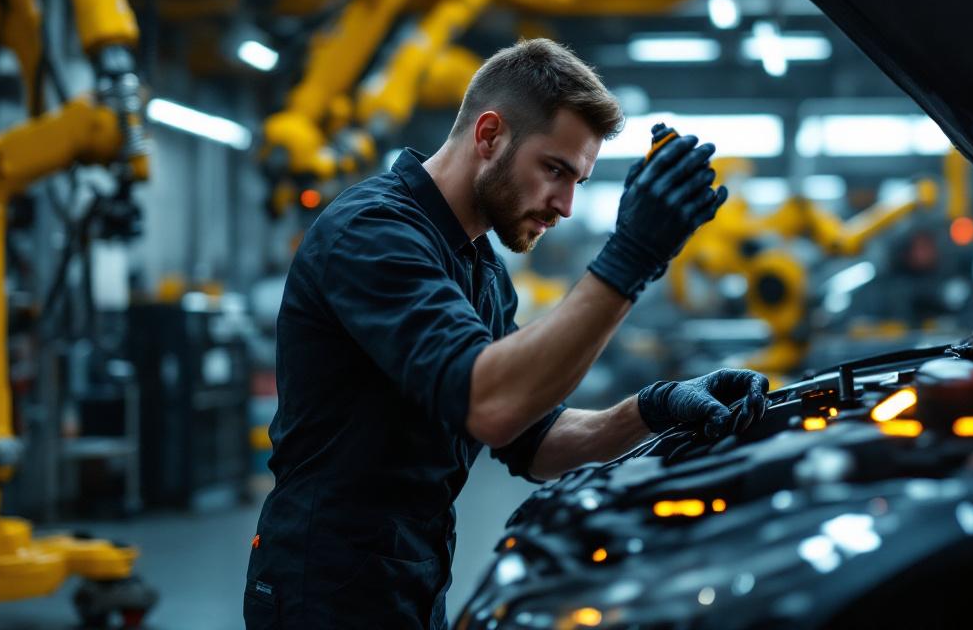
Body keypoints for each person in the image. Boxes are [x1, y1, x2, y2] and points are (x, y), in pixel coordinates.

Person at [244, 38, 769, 628]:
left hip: (409, 583)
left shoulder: (481, 268)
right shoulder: (373, 233)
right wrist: (631, 258)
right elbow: (490, 405)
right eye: (554, 170)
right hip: (322, 593)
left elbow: (534, 439)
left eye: (578, 181)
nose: (566, 205)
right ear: (489, 135)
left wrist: (658, 406)